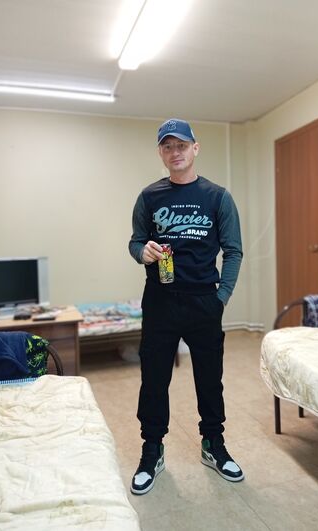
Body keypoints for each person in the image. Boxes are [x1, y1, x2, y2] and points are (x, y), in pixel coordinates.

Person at [128, 118, 244, 495]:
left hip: (204, 302)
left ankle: (213, 444)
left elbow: (234, 251)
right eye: (167, 146)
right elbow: (135, 241)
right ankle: (152, 450)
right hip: (160, 302)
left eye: (181, 145)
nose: (175, 152)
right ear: (161, 153)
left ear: (195, 148)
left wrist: (221, 298)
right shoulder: (149, 197)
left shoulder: (218, 197)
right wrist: (142, 252)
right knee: (154, 379)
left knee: (209, 378)